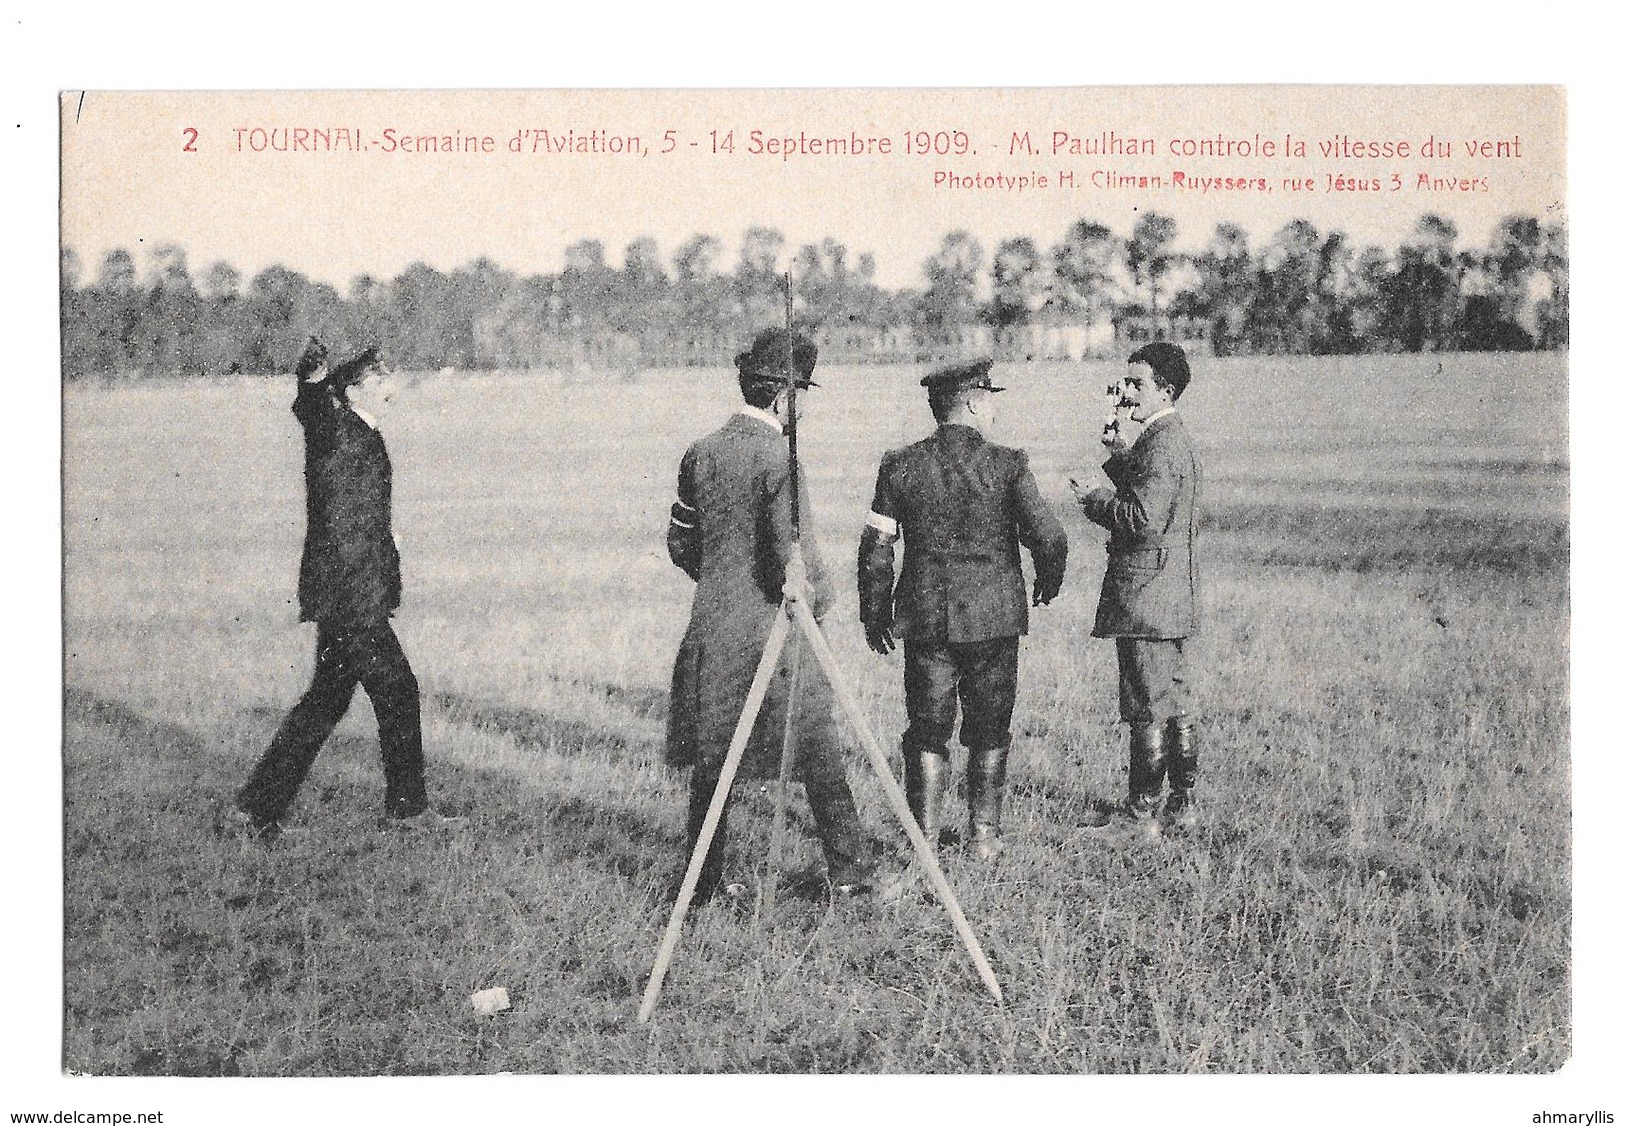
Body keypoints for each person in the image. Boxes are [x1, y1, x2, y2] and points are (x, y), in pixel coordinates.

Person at [664, 327, 879, 899]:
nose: (804, 406)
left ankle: (702, 886)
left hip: (712, 628)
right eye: (802, 393)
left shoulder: (701, 450)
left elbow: (681, 543)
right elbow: (800, 570)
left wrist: (721, 582)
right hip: (774, 634)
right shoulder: (783, 461)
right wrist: (819, 598)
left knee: (716, 759)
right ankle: (853, 876)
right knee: (817, 748)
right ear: (785, 398)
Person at [233, 340, 453, 837]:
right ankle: (408, 812)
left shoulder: (363, 430)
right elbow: (312, 413)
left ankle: (254, 809)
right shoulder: (335, 427)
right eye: (379, 376)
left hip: (349, 593)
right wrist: (311, 383)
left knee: (327, 700)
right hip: (352, 598)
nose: (389, 382)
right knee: (398, 692)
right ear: (353, 389)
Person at [857, 359, 1068, 861]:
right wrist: (1048, 581)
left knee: (927, 729)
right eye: (989, 397)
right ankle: (984, 838)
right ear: (973, 403)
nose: (992, 406)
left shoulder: (899, 464)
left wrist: (874, 609)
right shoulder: (1009, 464)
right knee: (990, 726)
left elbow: (876, 547)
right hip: (995, 621)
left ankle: (924, 842)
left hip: (926, 619)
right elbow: (1051, 537)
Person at [1073, 342, 1202, 832]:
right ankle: (1181, 806)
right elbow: (1156, 493)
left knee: (1145, 704)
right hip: (1172, 592)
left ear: (1164, 390)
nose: (1126, 393)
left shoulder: (1161, 443)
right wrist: (1118, 455)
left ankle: (1140, 814)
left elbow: (1141, 516)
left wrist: (1094, 499)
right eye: (1126, 382)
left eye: (1137, 384)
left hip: (1146, 595)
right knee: (1172, 700)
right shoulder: (1170, 437)